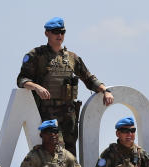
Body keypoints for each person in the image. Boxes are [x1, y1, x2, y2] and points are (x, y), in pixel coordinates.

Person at [16, 17, 113, 156]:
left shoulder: (72, 57)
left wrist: (105, 90)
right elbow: (21, 79)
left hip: (68, 113)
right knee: (54, 150)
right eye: (55, 32)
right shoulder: (36, 55)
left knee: (70, 153)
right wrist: (36, 87)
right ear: (47, 33)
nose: (59, 36)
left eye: (62, 32)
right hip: (47, 112)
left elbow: (89, 78)